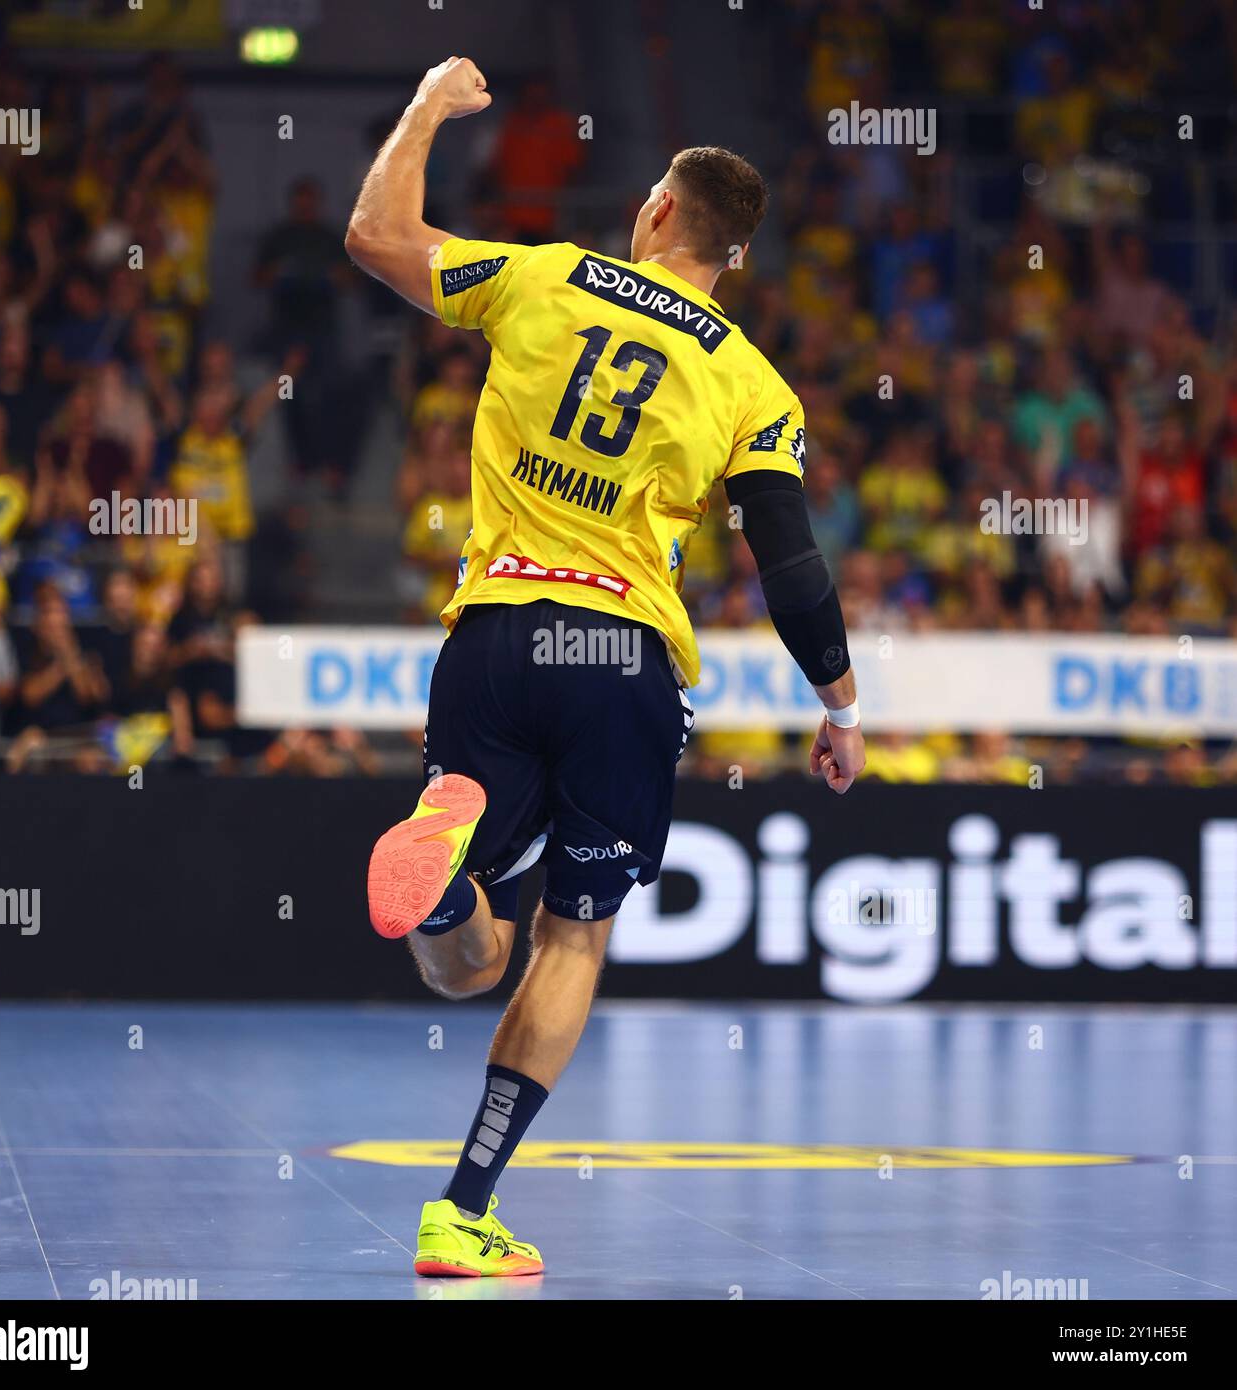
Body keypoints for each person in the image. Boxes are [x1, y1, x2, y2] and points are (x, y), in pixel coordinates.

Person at [345, 57, 864, 1278]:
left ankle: (445, 889)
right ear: (729, 255)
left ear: (655, 214)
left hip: (495, 632)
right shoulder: (750, 382)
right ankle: (462, 1205)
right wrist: (839, 703)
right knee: (573, 939)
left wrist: (425, 107)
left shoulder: (541, 277)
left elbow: (375, 236)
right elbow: (788, 562)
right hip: (621, 654)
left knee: (467, 960)